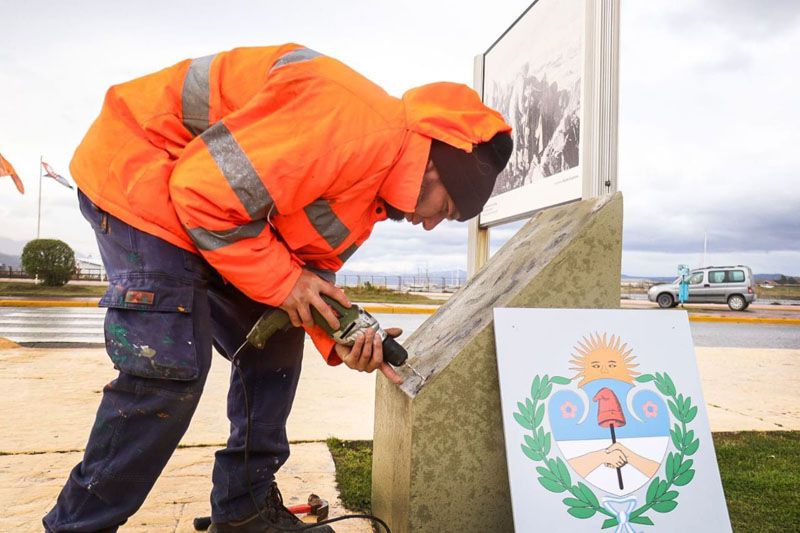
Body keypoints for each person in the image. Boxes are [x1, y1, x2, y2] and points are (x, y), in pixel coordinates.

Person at [43, 44, 512, 533]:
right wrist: (290, 284)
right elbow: (201, 193)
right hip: (143, 167)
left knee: (276, 341)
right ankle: (79, 527)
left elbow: (302, 273)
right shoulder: (349, 121)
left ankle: (243, 510)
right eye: (444, 210)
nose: (431, 224)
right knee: (169, 363)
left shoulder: (369, 197)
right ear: (435, 168)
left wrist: (340, 337)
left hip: (199, 206)